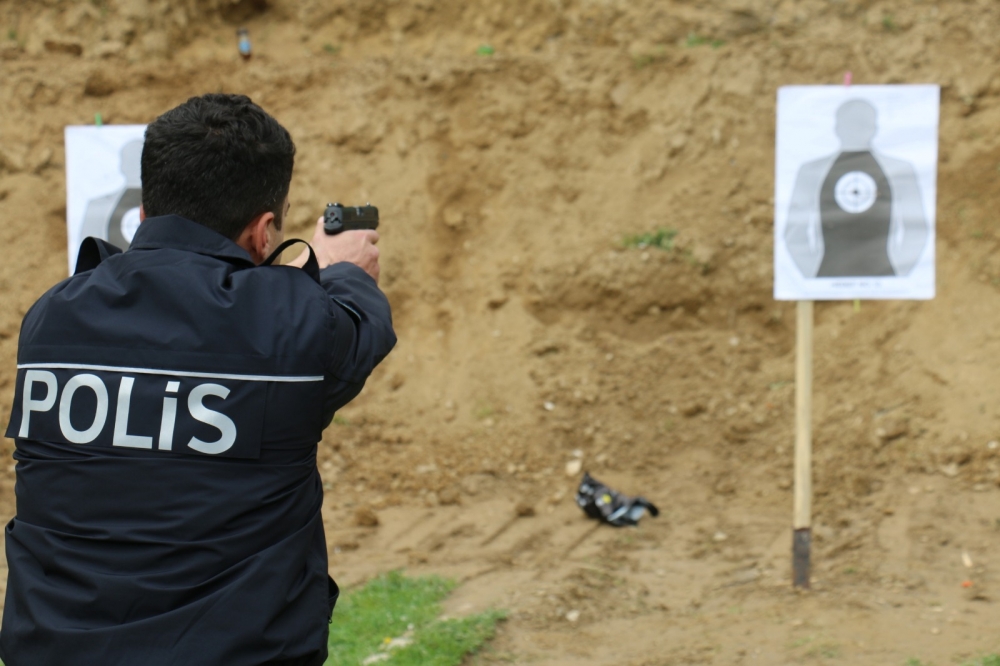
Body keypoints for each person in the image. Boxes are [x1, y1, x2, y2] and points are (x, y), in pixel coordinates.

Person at [1, 94, 396, 665]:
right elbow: (360, 328)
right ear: (264, 233)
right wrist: (340, 268)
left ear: (144, 212)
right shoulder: (290, 325)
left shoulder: (51, 317)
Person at [784, 98, 929, 278]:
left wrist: (899, 270)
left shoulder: (899, 170)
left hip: (881, 277)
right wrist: (812, 272)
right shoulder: (811, 171)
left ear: (874, 128)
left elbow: (917, 228)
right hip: (829, 276)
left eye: (861, 124)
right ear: (837, 128)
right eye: (851, 124)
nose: (856, 130)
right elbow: (794, 231)